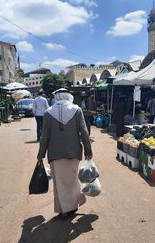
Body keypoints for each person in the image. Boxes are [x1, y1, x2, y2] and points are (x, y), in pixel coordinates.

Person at [37, 88, 93, 219]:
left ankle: (64, 210)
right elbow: (84, 131)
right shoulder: (77, 110)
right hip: (73, 151)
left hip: (55, 153)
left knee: (59, 183)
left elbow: (44, 136)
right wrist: (88, 150)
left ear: (57, 97)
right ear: (68, 96)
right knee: (72, 181)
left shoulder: (48, 113)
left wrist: (41, 154)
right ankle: (71, 206)